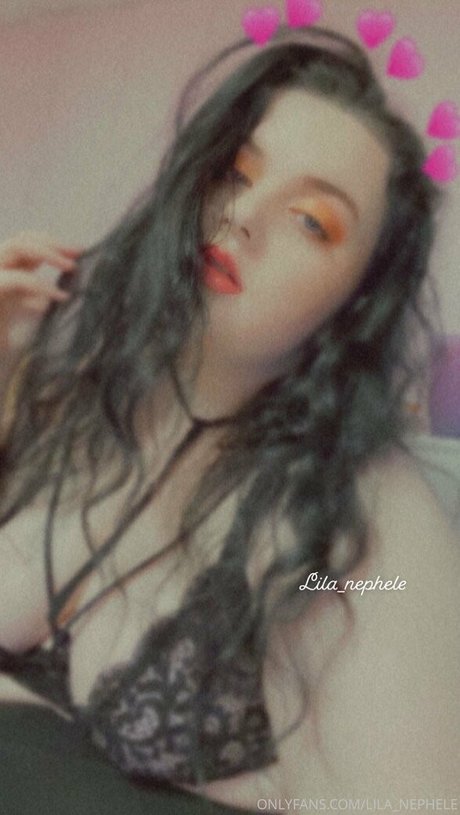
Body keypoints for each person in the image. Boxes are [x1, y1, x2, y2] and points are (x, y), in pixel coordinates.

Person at [0, 24, 459, 815]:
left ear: (357, 302)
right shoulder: (87, 396)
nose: (242, 214)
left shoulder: (362, 525)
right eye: (233, 172)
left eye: (311, 220)